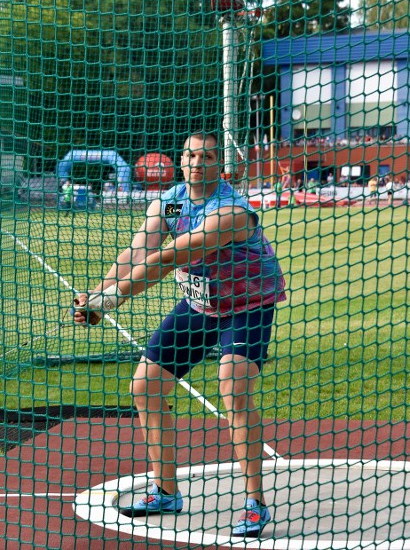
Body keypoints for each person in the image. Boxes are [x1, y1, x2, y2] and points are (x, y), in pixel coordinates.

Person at [73, 132, 287, 538]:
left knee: (234, 390)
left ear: (218, 165)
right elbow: (138, 251)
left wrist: (112, 300)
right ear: (180, 161)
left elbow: (173, 255)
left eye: (206, 156)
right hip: (199, 306)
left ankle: (255, 503)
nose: (196, 162)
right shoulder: (170, 200)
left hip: (246, 307)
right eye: (190, 154)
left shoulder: (230, 211)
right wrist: (98, 295)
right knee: (145, 388)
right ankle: (166, 491)